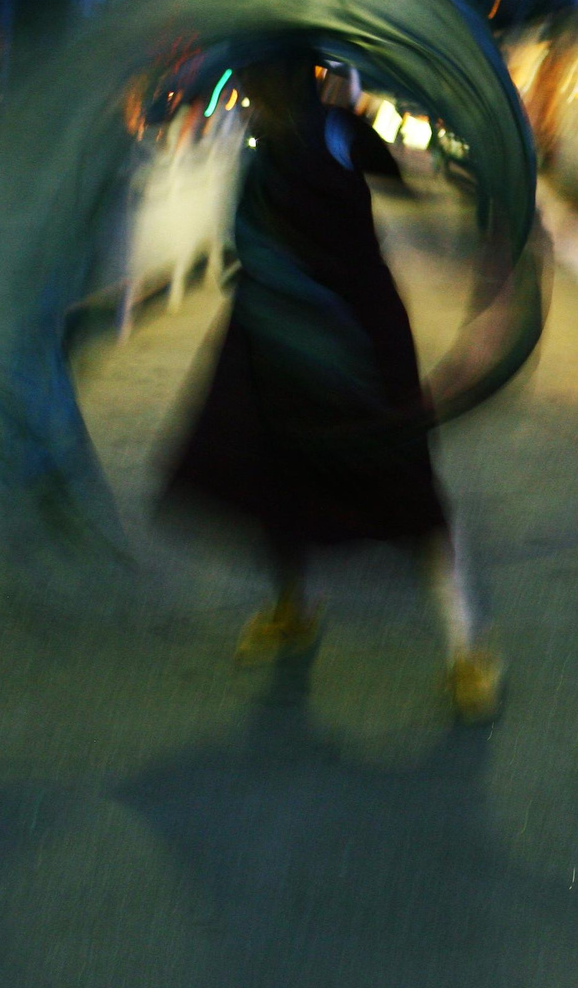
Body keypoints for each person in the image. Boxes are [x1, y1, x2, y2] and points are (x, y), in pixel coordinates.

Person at [160, 53, 502, 720]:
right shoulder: (267, 147)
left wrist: (473, 247)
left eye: (258, 80)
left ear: (293, 77)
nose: (250, 93)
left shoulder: (341, 131)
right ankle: (293, 608)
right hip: (275, 330)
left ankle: (468, 648)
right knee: (274, 467)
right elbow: (247, 242)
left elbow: (401, 186)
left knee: (404, 479)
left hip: (359, 336)